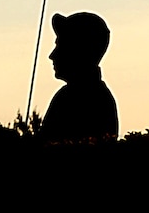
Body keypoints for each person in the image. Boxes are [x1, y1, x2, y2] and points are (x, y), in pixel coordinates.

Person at [39, 11, 119, 140]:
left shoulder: (89, 98)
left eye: (60, 46)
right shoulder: (70, 95)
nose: (52, 55)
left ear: (78, 50)